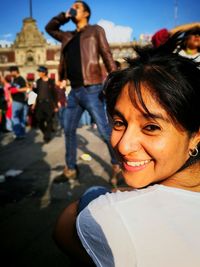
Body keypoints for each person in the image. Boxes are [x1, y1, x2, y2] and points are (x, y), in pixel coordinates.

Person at [52, 42, 200, 267]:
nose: (122, 146)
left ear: (195, 136)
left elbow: (62, 230)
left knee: (93, 193)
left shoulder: (110, 216)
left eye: (151, 127)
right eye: (119, 122)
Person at [45, 1, 120, 183]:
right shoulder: (67, 36)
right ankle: (71, 168)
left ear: (86, 13)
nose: (73, 7)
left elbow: (106, 54)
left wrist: (118, 81)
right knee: (69, 130)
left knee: (104, 130)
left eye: (76, 6)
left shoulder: (95, 30)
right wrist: (64, 15)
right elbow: (50, 27)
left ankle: (118, 165)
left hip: (92, 89)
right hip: (74, 91)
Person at [33, 66, 58, 143]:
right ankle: (46, 132)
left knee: (49, 120)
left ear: (44, 72)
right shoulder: (37, 82)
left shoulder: (51, 81)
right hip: (39, 104)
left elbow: (54, 94)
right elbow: (34, 93)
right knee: (39, 119)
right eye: (38, 72)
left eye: (40, 72)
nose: (39, 73)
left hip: (48, 104)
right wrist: (33, 103)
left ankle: (47, 136)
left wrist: (56, 105)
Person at [9, 66, 29, 139]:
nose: (10, 73)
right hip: (18, 101)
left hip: (18, 101)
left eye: (11, 71)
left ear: (15, 71)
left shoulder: (20, 79)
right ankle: (22, 134)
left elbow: (26, 88)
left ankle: (18, 133)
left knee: (14, 117)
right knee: (21, 118)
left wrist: (16, 90)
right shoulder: (14, 79)